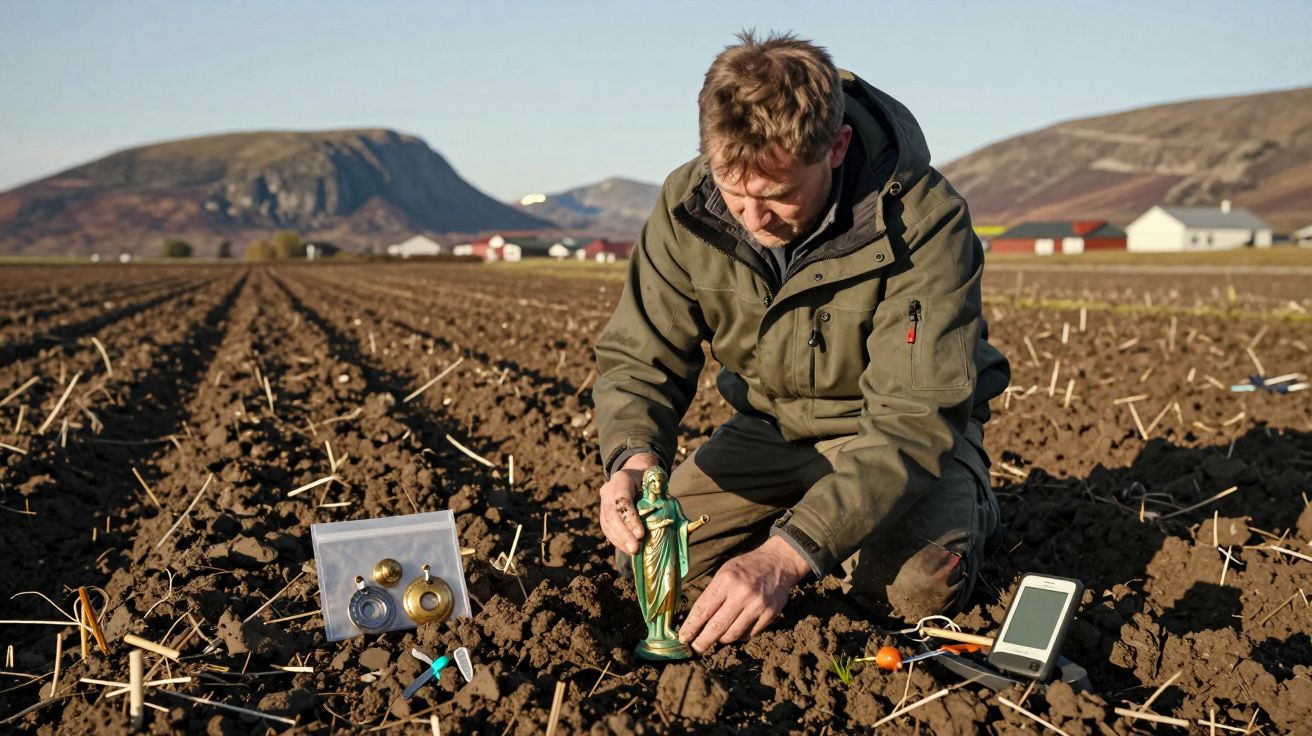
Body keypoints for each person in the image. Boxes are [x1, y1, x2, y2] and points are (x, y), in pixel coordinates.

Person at [592, 31, 1011, 656]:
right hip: (770, 430)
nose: (751, 219)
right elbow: (639, 356)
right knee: (654, 563)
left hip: (886, 437)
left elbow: (913, 418)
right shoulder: (688, 205)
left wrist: (787, 556)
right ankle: (807, 520)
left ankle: (968, 500)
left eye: (777, 195)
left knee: (913, 593)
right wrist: (633, 458)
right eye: (733, 191)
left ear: (836, 147)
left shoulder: (924, 222)